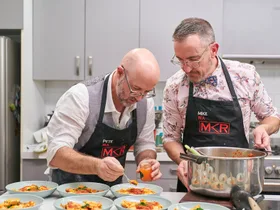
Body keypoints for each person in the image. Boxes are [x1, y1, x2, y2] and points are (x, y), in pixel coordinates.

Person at [162, 18, 280, 192]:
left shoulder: (245, 76)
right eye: (180, 60)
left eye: (193, 59)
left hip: (239, 182)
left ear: (213, 50)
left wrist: (264, 129)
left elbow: (272, 118)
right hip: (194, 183)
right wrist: (184, 162)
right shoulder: (174, 86)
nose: (186, 68)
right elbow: (170, 138)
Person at [46, 48, 162, 185]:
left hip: (112, 193)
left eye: (147, 92)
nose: (139, 98)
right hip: (71, 193)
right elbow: (56, 154)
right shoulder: (81, 97)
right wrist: (96, 166)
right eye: (135, 89)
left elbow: (145, 143)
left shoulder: (145, 103)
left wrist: (146, 161)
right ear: (120, 73)